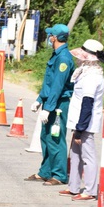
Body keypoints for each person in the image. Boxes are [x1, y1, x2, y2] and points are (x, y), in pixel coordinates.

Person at [25, 23, 75, 186]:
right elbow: (49, 82)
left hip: (58, 104)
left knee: (55, 138)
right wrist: (40, 100)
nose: (49, 38)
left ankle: (59, 174)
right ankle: (46, 171)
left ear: (54, 38)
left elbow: (58, 86)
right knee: (45, 137)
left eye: (50, 35)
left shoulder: (63, 58)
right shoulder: (56, 55)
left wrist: (48, 108)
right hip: (50, 102)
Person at [59, 39, 104, 200]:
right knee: (75, 155)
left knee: (88, 157)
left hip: (85, 124)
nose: (78, 58)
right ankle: (73, 187)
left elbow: (87, 104)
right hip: (78, 122)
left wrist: (80, 129)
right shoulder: (84, 73)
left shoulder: (92, 77)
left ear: (88, 58)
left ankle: (90, 190)